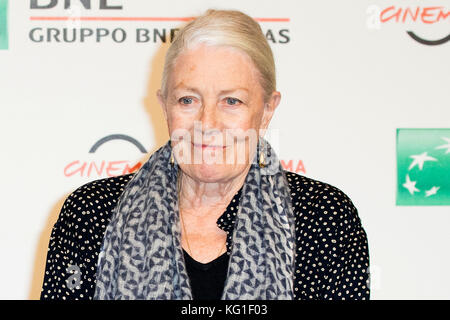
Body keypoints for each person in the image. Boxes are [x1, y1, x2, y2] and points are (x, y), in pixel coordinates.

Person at [40, 9, 370, 300]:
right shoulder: (92, 213)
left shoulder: (325, 218)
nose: (207, 123)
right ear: (164, 105)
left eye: (232, 101)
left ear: (267, 109)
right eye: (188, 100)